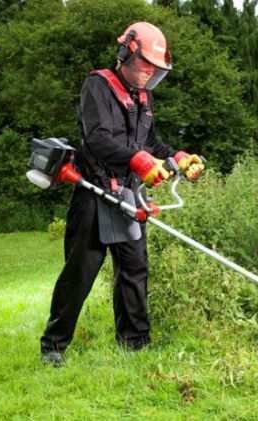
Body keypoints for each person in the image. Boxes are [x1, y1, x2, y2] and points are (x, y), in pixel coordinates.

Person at [40, 22, 204, 366]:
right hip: (93, 192)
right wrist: (141, 161)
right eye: (146, 65)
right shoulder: (97, 86)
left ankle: (135, 342)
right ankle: (53, 346)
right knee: (80, 271)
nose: (150, 74)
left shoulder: (144, 97)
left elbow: (151, 142)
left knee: (134, 268)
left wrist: (178, 157)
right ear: (126, 53)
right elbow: (98, 139)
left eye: (155, 69)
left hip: (129, 195)